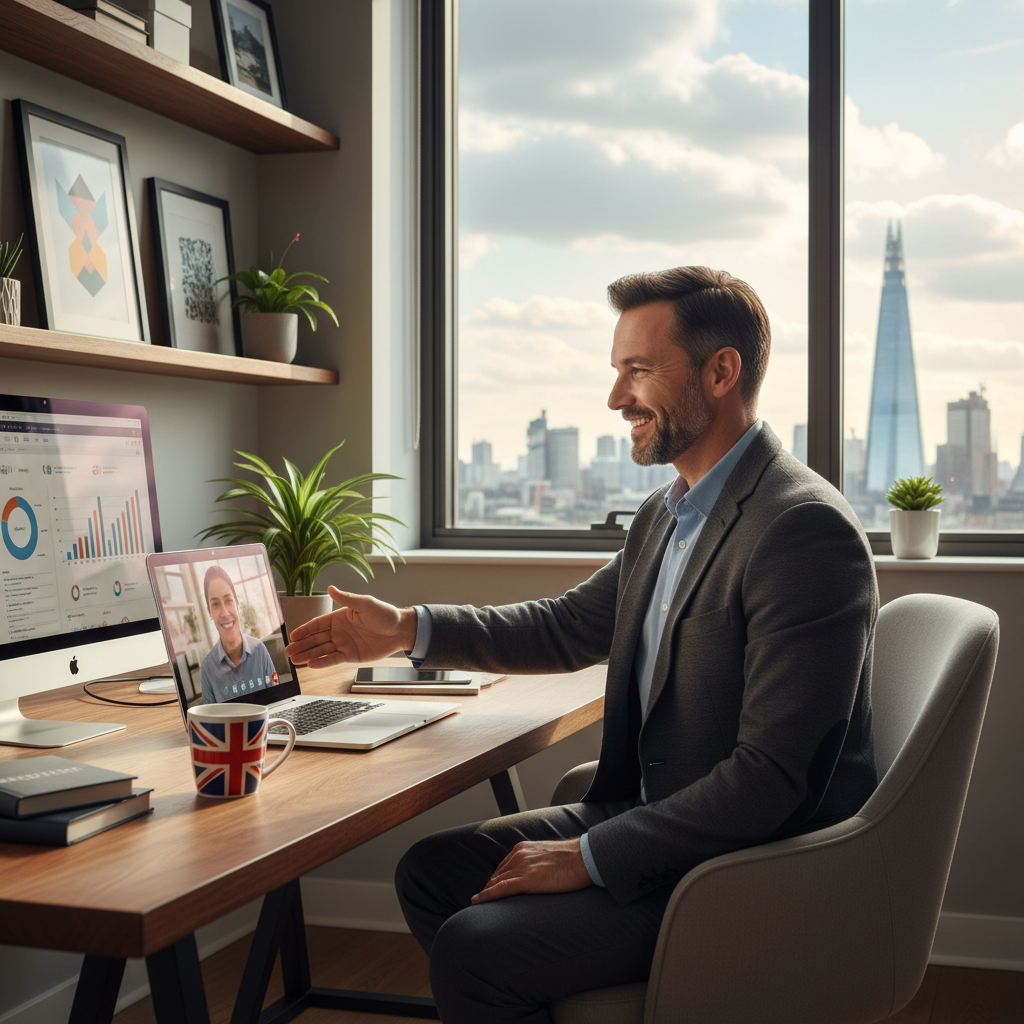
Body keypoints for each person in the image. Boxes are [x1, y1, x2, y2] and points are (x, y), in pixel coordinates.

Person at [285, 267, 878, 1024]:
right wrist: (406, 628)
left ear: (721, 371)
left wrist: (590, 858)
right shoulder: (670, 512)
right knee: (433, 873)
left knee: (475, 946)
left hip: (742, 867)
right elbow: (567, 625)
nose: (615, 398)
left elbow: (772, 780)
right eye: (615, 371)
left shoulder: (800, 530)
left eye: (638, 370)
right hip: (656, 813)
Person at [199, 566, 278, 704]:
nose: (224, 613)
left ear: (237, 603)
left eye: (228, 600)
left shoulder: (260, 649)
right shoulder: (207, 669)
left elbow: (278, 699)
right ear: (210, 612)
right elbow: (211, 722)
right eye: (216, 604)